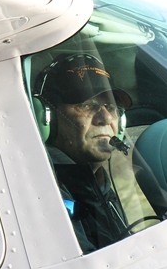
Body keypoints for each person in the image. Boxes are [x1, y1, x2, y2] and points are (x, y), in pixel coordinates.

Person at [35, 53, 133, 253]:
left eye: (110, 107)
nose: (106, 118)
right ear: (48, 118)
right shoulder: (43, 190)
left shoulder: (100, 183)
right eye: (86, 105)